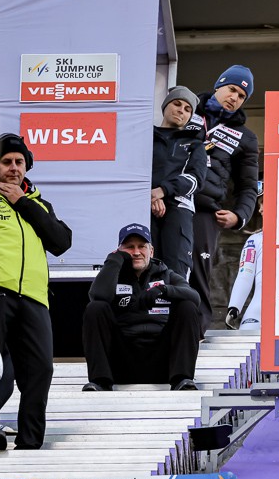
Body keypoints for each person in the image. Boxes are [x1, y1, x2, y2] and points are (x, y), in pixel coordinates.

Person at [0, 133, 72, 450]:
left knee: (41, 369)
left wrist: (22, 202)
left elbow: (61, 242)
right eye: (7, 162)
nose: (14, 168)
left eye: (19, 162)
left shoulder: (39, 204)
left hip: (35, 298)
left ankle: (30, 442)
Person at [185, 65, 260, 334]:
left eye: (241, 96)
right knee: (164, 266)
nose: (234, 98)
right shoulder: (186, 110)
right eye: (231, 89)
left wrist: (239, 215)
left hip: (206, 210)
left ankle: (196, 331)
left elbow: (248, 186)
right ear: (218, 86)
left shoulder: (246, 137)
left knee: (200, 270)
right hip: (169, 202)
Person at [82, 223, 202, 391]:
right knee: (95, 308)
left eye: (141, 246)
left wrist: (164, 290)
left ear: (151, 251)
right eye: (130, 247)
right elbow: (97, 296)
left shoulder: (167, 275)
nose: (136, 252)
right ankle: (100, 381)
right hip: (122, 363)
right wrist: (114, 260)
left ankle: (182, 378)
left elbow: (195, 298)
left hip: (163, 363)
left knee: (187, 307)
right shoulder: (112, 277)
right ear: (120, 250)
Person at [151, 85, 207, 279]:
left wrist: (163, 190)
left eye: (187, 109)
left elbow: (196, 180)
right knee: (145, 267)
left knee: (176, 272)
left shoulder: (195, 144)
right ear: (165, 106)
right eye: (177, 104)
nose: (181, 110)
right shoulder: (145, 137)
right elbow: (134, 171)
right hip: (144, 206)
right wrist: (151, 196)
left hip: (179, 209)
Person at [225, 181, 263, 331]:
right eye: (259, 204)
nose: (260, 209)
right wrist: (234, 307)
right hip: (260, 307)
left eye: (264, 203)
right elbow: (245, 274)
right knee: (247, 337)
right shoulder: (255, 239)